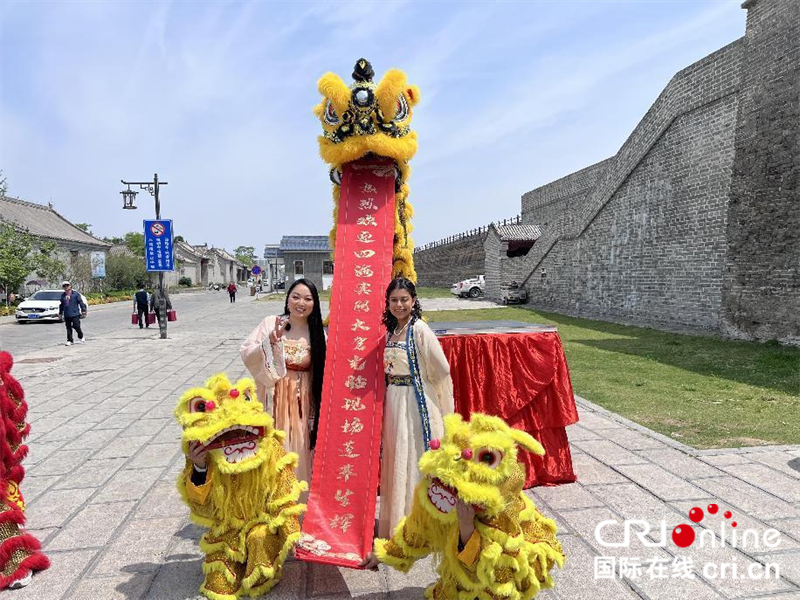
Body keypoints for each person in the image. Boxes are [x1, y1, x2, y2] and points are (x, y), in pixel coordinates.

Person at [361, 277, 454, 570]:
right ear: (387, 303)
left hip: (415, 402)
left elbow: (442, 369)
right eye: (394, 300)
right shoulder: (393, 330)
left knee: (414, 459)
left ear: (413, 301)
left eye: (404, 299)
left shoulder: (419, 329)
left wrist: (430, 398)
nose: (399, 305)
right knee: (397, 459)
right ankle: (398, 524)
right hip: (394, 400)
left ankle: (419, 528)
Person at [239, 278, 326, 484]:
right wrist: (270, 340)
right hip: (274, 397)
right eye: (295, 297)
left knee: (302, 447)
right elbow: (247, 352)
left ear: (314, 304)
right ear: (288, 300)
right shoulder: (271, 323)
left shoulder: (319, 334)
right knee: (276, 443)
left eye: (307, 299)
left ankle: (299, 501)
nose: (300, 303)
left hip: (304, 401)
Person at [58, 281, 87, 346]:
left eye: (67, 285)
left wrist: (83, 310)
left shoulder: (75, 294)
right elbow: (61, 305)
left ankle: (81, 335)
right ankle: (70, 340)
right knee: (68, 328)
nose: (66, 287)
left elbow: (81, 302)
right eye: (64, 286)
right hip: (67, 314)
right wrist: (60, 313)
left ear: (70, 286)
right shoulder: (63, 295)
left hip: (75, 313)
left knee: (76, 326)